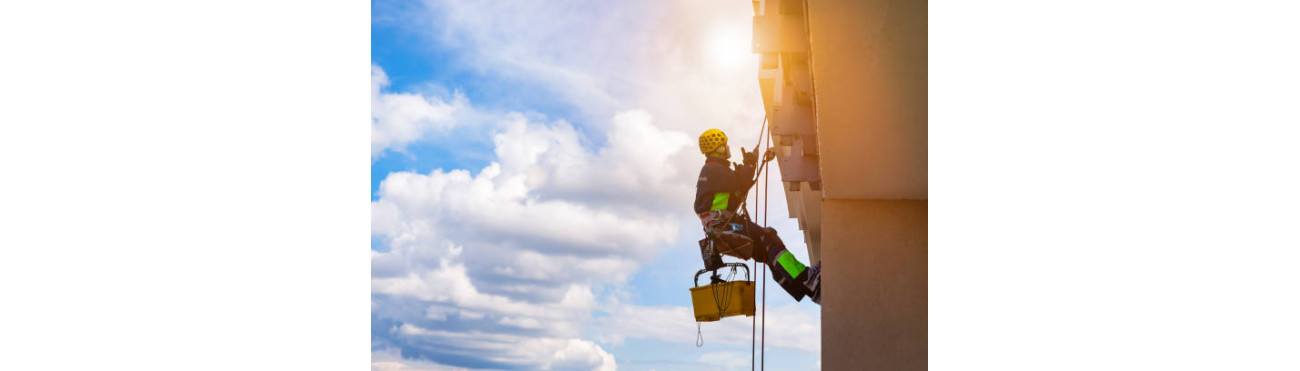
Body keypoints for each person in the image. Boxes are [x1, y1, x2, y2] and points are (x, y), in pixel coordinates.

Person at [695, 128, 820, 303]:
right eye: (725, 145)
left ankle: (807, 289)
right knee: (768, 238)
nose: (728, 148)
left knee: (766, 253)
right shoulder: (714, 170)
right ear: (719, 148)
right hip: (724, 225)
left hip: (719, 227)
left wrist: (749, 165)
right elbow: (741, 181)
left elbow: (739, 185)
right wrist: (750, 164)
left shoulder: (712, 171)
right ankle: (810, 280)